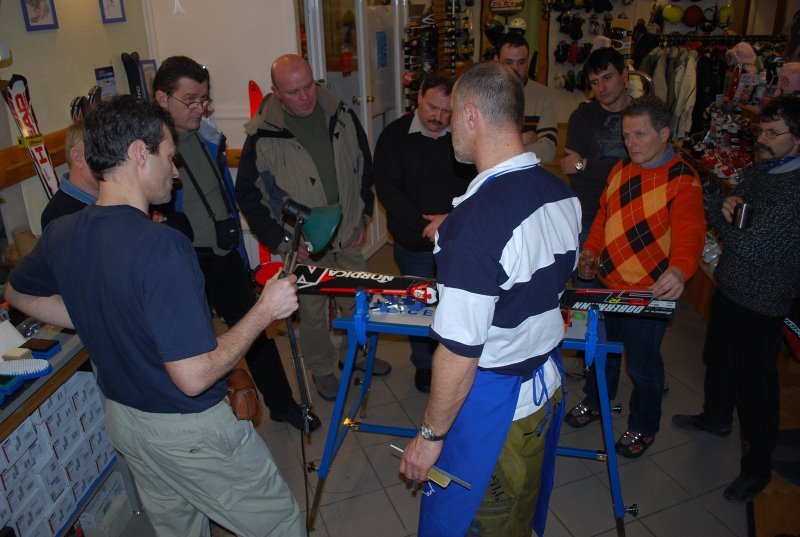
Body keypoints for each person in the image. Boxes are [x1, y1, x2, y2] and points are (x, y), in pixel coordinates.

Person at [7, 96, 303, 537]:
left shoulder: (62, 231)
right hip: (188, 431)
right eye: (168, 156)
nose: (176, 171)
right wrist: (265, 311)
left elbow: (17, 291)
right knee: (281, 527)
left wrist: (92, 313)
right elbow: (193, 376)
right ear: (138, 154)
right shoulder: (162, 246)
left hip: (125, 421)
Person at [399, 62, 581, 537]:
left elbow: (459, 353)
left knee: (481, 523)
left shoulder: (473, 226)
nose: (450, 127)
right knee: (521, 512)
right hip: (544, 387)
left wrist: (430, 436)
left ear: (472, 116)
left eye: (454, 115)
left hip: (493, 410)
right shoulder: (561, 194)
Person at [151, 56, 319, 432]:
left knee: (254, 332)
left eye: (204, 99)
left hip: (224, 253)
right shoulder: (148, 148)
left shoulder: (206, 134)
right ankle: (209, 422)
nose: (200, 108)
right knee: (196, 348)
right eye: (190, 100)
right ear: (162, 98)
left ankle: (283, 405)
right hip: (185, 262)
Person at [236, 54, 391, 401]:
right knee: (312, 313)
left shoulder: (341, 113)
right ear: (276, 92)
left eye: (309, 86)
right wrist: (283, 240)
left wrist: (363, 214)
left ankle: (358, 356)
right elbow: (248, 195)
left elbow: (364, 165)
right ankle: (322, 370)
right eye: (294, 92)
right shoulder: (262, 135)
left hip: (346, 232)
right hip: (304, 241)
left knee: (358, 301)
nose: (305, 96)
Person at [673, 96, 800, 503]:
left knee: (757, 389)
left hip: (763, 302)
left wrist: (724, 214)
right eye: (761, 130)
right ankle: (715, 418)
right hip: (731, 287)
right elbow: (730, 216)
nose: (762, 139)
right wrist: (726, 208)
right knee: (719, 361)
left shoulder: (795, 189)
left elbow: (755, 245)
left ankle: (758, 468)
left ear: (797, 139)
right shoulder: (761, 169)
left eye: (772, 133)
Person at [565, 96, 705, 459]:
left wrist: (680, 269)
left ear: (664, 133)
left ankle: (644, 425)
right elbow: (603, 216)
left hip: (648, 295)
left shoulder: (683, 179)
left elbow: (691, 234)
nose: (632, 143)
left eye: (640, 135)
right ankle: (597, 401)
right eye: (627, 136)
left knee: (643, 367)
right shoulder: (620, 169)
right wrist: (591, 250)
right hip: (606, 284)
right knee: (601, 353)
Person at [373, 72, 474, 393]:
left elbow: (478, 187)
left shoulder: (464, 137)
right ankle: (424, 365)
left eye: (447, 111)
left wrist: (451, 221)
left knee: (456, 307)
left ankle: (456, 364)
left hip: (457, 243)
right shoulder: (394, 136)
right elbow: (389, 191)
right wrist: (426, 227)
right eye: (432, 107)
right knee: (419, 309)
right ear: (418, 96)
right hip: (413, 244)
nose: (438, 118)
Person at [560, 47, 631, 244]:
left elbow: (643, 169)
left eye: (607, 78)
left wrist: (584, 165)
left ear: (624, 75)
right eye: (594, 82)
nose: (601, 88)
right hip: (588, 216)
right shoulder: (582, 116)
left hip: (632, 213)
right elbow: (572, 171)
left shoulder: (644, 115)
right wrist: (580, 166)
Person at [495, 32, 558, 163]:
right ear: (497, 60)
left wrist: (502, 149)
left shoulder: (544, 96)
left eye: (521, 62)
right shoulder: (482, 94)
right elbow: (477, 148)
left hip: (529, 174)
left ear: (528, 60)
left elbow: (548, 152)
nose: (515, 68)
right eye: (508, 62)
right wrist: (521, 139)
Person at [40, 121, 98, 229]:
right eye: (101, 153)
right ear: (78, 158)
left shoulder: (114, 194)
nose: (111, 161)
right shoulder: (57, 217)